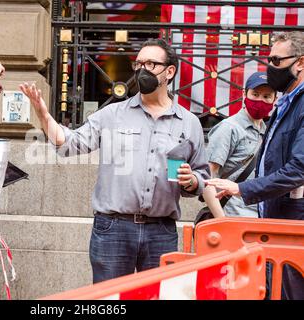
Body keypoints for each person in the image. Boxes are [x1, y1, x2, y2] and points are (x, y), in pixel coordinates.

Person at [20, 39, 210, 283]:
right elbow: (69, 145)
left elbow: (202, 176)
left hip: (161, 232)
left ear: (169, 71)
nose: (143, 70)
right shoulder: (112, 114)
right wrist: (43, 115)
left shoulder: (189, 123)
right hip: (113, 230)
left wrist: (193, 180)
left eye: (151, 64)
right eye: (139, 63)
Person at [206, 31, 304, 300]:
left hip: (291, 224)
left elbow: (298, 168)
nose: (270, 66)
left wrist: (240, 188)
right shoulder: (286, 104)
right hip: (270, 222)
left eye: (276, 60)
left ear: (301, 63)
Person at [203, 72, 276, 218]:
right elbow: (208, 177)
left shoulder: (269, 132)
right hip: (233, 216)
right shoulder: (229, 128)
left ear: (275, 100)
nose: (260, 100)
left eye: (266, 97)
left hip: (261, 216)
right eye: (255, 94)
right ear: (244, 94)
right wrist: (221, 220)